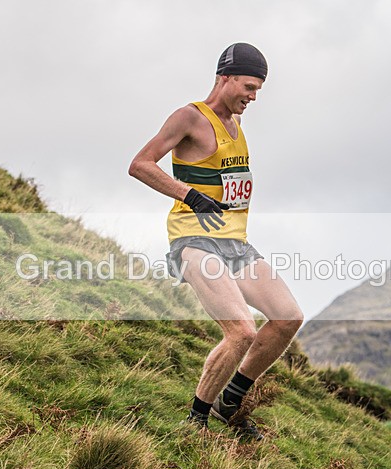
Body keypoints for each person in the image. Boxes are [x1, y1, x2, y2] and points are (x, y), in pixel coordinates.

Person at [129, 43, 304, 440]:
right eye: (248, 86)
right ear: (224, 78)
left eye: (258, 89)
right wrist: (189, 195)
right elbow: (139, 164)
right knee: (241, 331)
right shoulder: (189, 117)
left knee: (287, 318)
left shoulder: (237, 126)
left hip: (236, 244)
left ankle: (232, 401)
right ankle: (195, 421)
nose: (253, 96)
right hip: (194, 242)